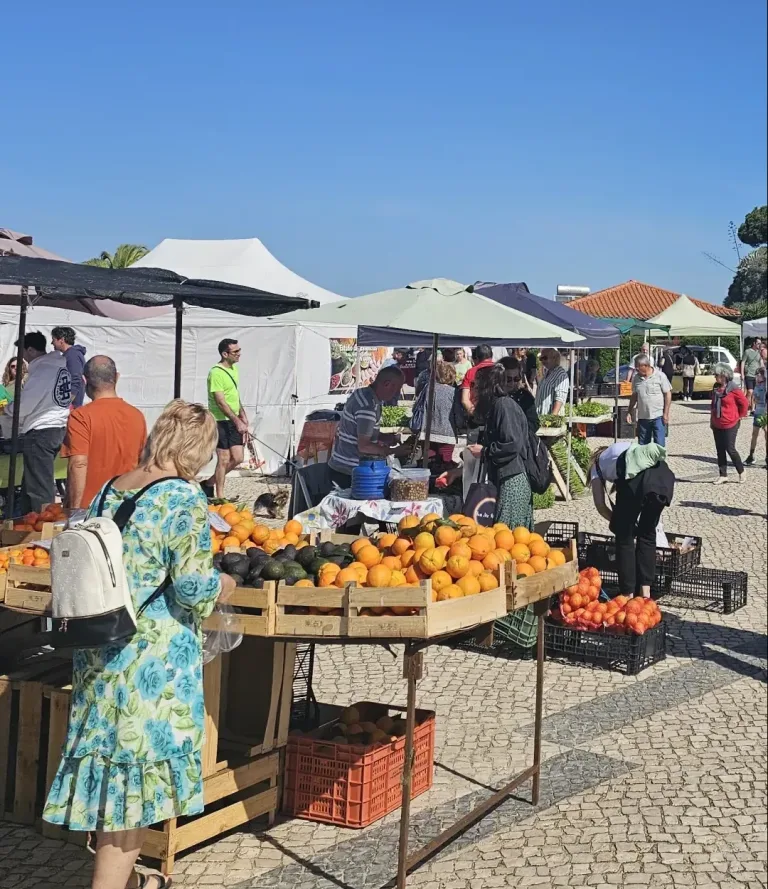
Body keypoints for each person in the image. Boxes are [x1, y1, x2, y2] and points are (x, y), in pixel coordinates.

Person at [43, 400, 235, 889]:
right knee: (134, 784)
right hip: (151, 659)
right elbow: (192, 587)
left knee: (112, 771)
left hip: (101, 647)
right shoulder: (183, 499)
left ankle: (132, 882)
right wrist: (225, 585)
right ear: (198, 448)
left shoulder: (114, 487)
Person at [590, 441, 674, 597]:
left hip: (637, 483)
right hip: (663, 480)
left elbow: (600, 505)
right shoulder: (623, 447)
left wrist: (620, 524)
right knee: (648, 534)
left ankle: (628, 594)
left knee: (624, 538)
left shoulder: (596, 465)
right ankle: (645, 594)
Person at [62, 356, 148, 509]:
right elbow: (143, 463)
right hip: (126, 506)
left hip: (91, 508)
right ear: (116, 377)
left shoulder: (81, 416)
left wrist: (74, 511)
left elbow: (78, 463)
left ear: (84, 380)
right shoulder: (137, 416)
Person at [1, 332, 71, 513]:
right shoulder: (58, 367)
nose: (23, 357)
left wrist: (6, 410)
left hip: (42, 430)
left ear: (30, 349)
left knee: (39, 488)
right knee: (30, 484)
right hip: (56, 427)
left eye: (23, 352)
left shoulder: (43, 370)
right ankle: (25, 520)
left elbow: (25, 405)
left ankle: (45, 529)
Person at [327, 366, 408, 487]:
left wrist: (387, 438)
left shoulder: (362, 393)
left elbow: (362, 433)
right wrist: (393, 451)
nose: (397, 393)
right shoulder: (368, 406)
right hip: (350, 473)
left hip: (343, 467)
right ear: (387, 384)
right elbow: (364, 446)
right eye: (397, 388)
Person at [475, 363, 534, 530]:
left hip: (512, 480)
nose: (474, 390)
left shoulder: (504, 405)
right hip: (507, 478)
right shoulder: (499, 405)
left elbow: (511, 443)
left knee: (507, 536)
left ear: (488, 386)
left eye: (477, 385)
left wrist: (485, 451)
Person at [206, 339, 248, 499]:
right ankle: (220, 495)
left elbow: (233, 394)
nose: (239, 354)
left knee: (238, 458)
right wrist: (237, 421)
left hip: (233, 418)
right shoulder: (216, 372)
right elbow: (220, 401)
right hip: (220, 420)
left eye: (239, 350)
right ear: (225, 354)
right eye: (235, 352)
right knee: (223, 459)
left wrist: (242, 414)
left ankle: (209, 483)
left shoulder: (234, 369)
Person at [710, 363, 749, 485]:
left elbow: (744, 403)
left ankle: (741, 471)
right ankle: (723, 475)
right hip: (717, 423)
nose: (715, 377)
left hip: (731, 422)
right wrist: (712, 420)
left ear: (724, 375)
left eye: (717, 375)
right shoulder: (716, 388)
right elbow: (713, 405)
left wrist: (740, 416)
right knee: (719, 449)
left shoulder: (734, 389)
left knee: (730, 448)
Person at [627, 355, 672, 446]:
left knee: (659, 445)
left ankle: (659, 461)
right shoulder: (636, 378)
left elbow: (668, 394)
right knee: (643, 446)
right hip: (643, 417)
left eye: (638, 367)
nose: (636, 370)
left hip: (658, 416)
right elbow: (634, 396)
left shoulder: (660, 376)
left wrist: (666, 413)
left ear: (646, 366)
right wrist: (629, 411)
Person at [499, 355, 539, 433]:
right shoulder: (493, 395)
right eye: (509, 379)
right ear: (500, 377)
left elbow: (534, 423)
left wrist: (516, 431)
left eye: (516, 379)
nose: (512, 383)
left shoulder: (524, 396)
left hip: (520, 442)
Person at [52, 326, 87, 408]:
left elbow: (75, 380)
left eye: (53, 339)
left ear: (61, 340)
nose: (52, 343)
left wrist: (66, 403)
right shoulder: (70, 354)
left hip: (72, 405)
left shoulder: (72, 355)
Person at [460, 344, 496, 416]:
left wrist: (476, 415)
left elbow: (465, 399)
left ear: (476, 357)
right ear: (491, 355)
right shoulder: (499, 370)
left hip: (477, 415)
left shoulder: (471, 372)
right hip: (497, 413)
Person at [534, 348, 569, 416]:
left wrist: (552, 419)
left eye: (545, 358)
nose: (542, 361)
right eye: (541, 359)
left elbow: (560, 399)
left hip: (550, 421)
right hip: (541, 417)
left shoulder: (561, 375)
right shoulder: (548, 372)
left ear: (554, 358)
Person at [745, 367, 767, 467]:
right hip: (758, 412)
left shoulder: (766, 385)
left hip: (765, 413)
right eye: (756, 375)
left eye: (759, 375)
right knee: (754, 434)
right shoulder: (757, 385)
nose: (757, 377)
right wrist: (752, 408)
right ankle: (751, 455)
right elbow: (754, 398)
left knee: (766, 435)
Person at [740, 338, 763, 413]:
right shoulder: (747, 351)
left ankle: (753, 409)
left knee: (755, 392)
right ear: (754, 343)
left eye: (760, 343)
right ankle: (745, 408)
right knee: (750, 391)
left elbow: (761, 363)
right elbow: (743, 362)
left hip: (756, 376)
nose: (759, 345)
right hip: (749, 374)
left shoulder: (759, 353)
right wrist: (742, 374)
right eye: (758, 343)